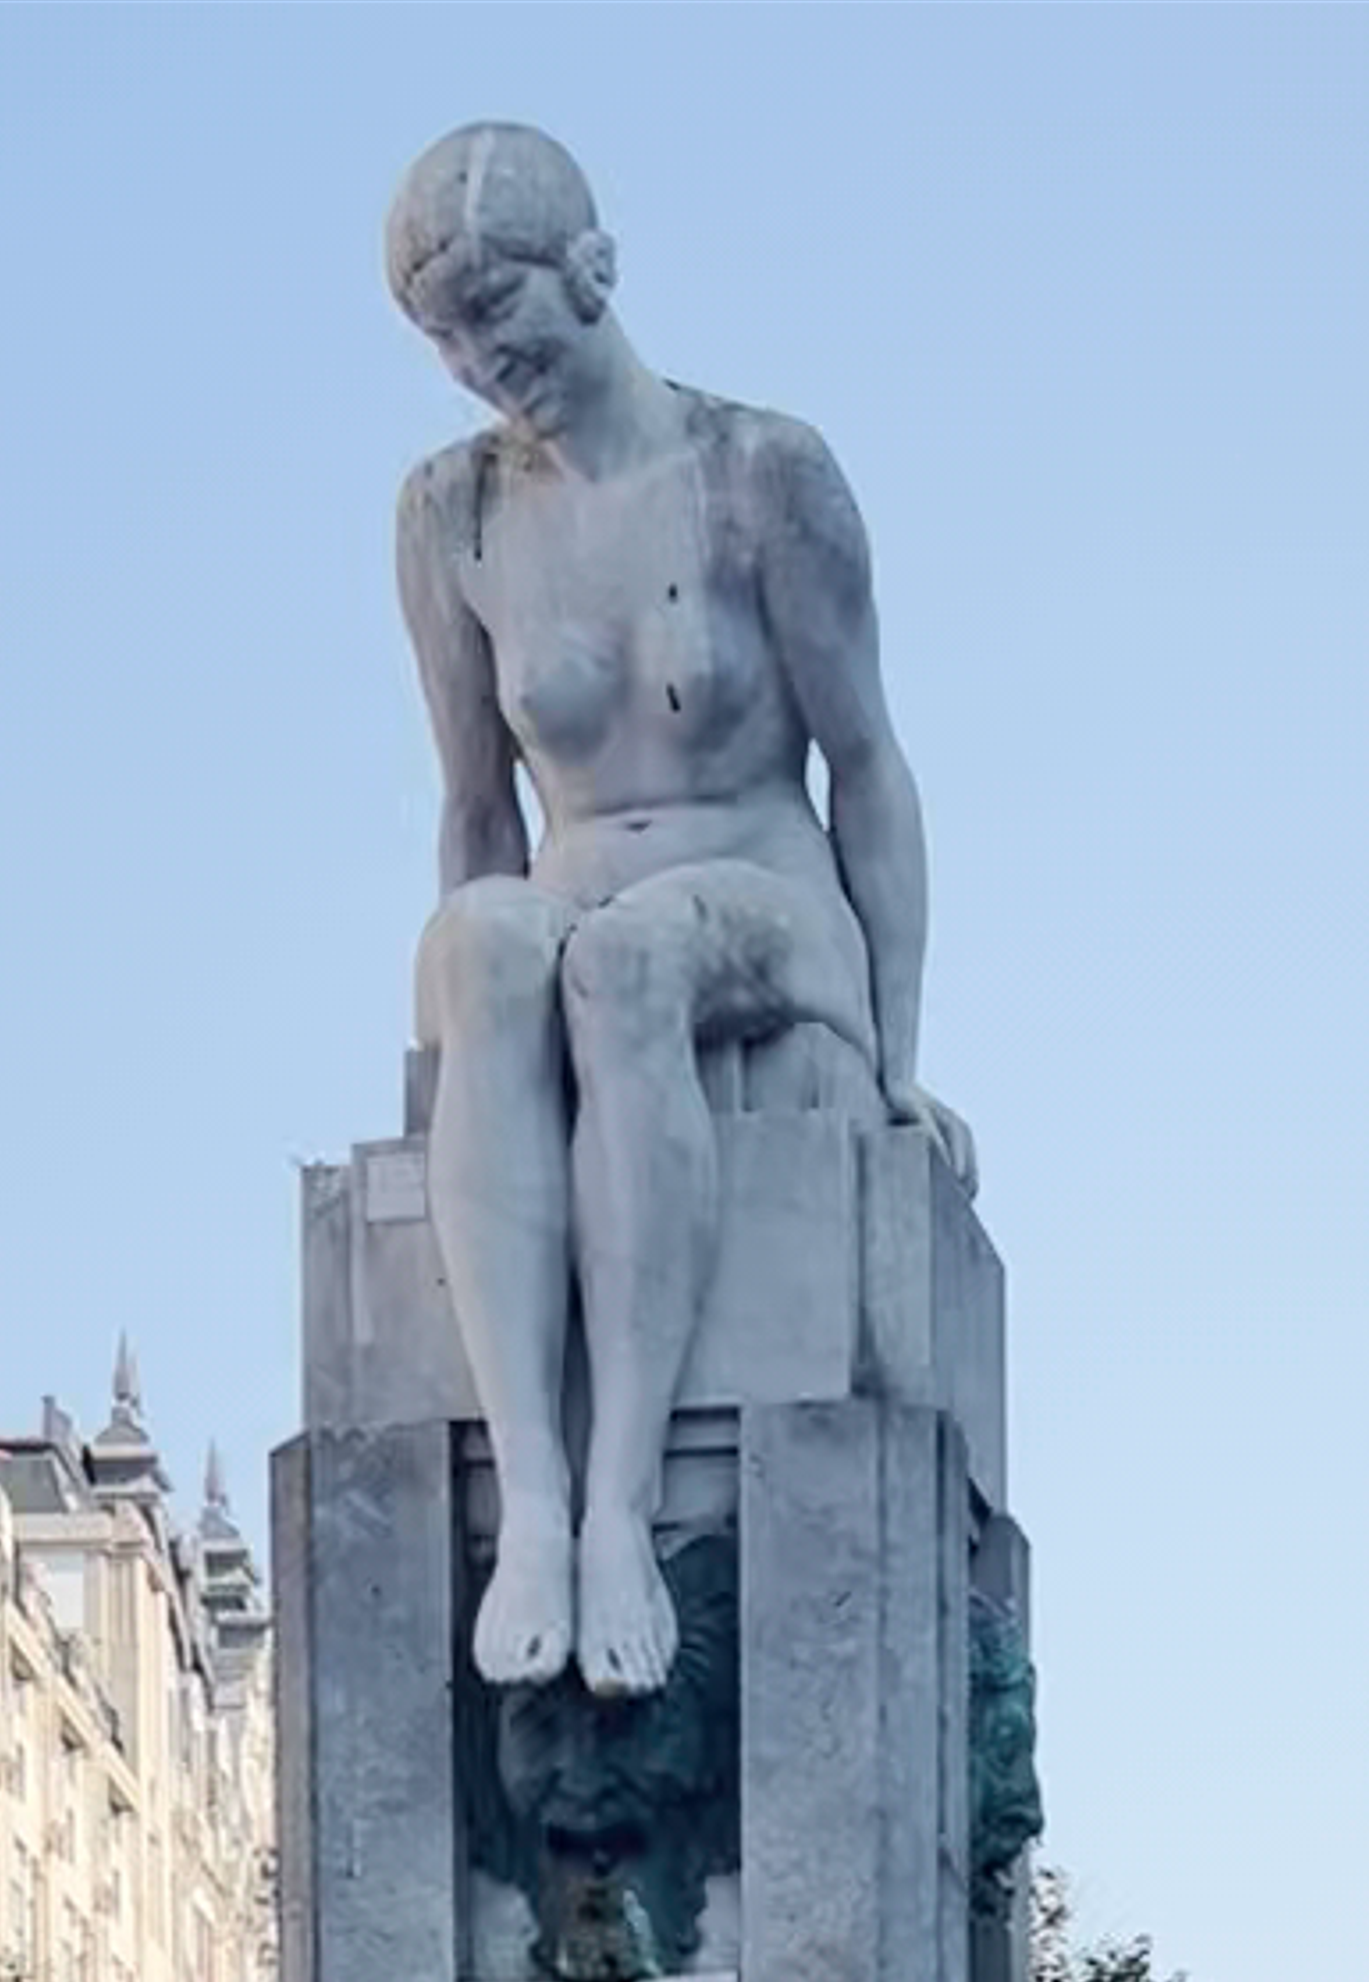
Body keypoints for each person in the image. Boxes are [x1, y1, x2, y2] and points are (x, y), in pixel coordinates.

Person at [388, 125, 965, 1701]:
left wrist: (893, 1064)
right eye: (446, 337)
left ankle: (629, 1499)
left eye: (499, 312)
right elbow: (473, 805)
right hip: (567, 886)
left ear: (589, 268)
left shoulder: (762, 472)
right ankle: (537, 1502)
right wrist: (456, 1045)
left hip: (764, 898)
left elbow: (868, 766)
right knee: (479, 947)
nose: (480, 360)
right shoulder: (449, 519)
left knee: (629, 966)